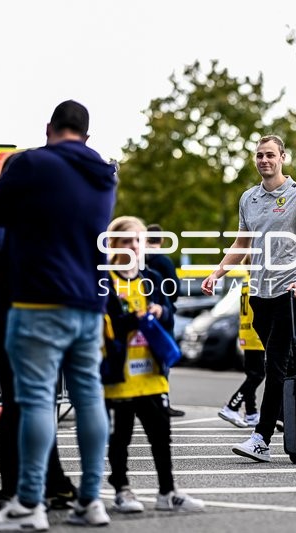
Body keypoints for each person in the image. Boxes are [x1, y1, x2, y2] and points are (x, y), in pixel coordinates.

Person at [0, 100, 116, 531]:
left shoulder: (31, 164)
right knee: (89, 399)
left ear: (49, 128)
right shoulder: (105, 174)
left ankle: (29, 505)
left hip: (38, 299)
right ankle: (92, 501)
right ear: (87, 136)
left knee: (35, 400)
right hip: (88, 304)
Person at [201, 134, 296, 463]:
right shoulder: (248, 199)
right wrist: (217, 273)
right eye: (259, 155)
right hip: (259, 294)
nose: (264, 160)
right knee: (286, 366)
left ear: (283, 157)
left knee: (275, 364)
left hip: (289, 293)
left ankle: (262, 438)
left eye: (270, 155)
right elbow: (242, 244)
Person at [0, 162, 78, 512]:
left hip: (5, 315)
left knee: (28, 405)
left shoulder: (0, 208)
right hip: (20, 316)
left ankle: (51, 484)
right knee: (25, 406)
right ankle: (17, 490)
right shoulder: (14, 213)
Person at [101, 216, 204, 514]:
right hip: (119, 373)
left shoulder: (152, 279)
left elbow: (170, 314)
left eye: (139, 240)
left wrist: (160, 311)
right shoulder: (106, 281)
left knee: (161, 434)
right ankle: (122, 489)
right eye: (127, 240)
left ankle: (168, 491)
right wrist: (132, 319)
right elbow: (107, 325)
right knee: (121, 435)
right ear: (113, 244)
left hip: (151, 370)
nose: (134, 246)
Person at [217, 257, 265, 428]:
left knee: (252, 373)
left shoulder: (245, 281)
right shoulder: (259, 281)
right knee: (257, 375)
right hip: (256, 333)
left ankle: (251, 413)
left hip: (245, 332)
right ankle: (232, 406)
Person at [144, 223, 185, 417]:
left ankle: (144, 400)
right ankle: (162, 402)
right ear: (161, 240)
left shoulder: (138, 259)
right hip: (161, 316)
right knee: (163, 360)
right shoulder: (164, 261)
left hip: (141, 314)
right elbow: (175, 290)